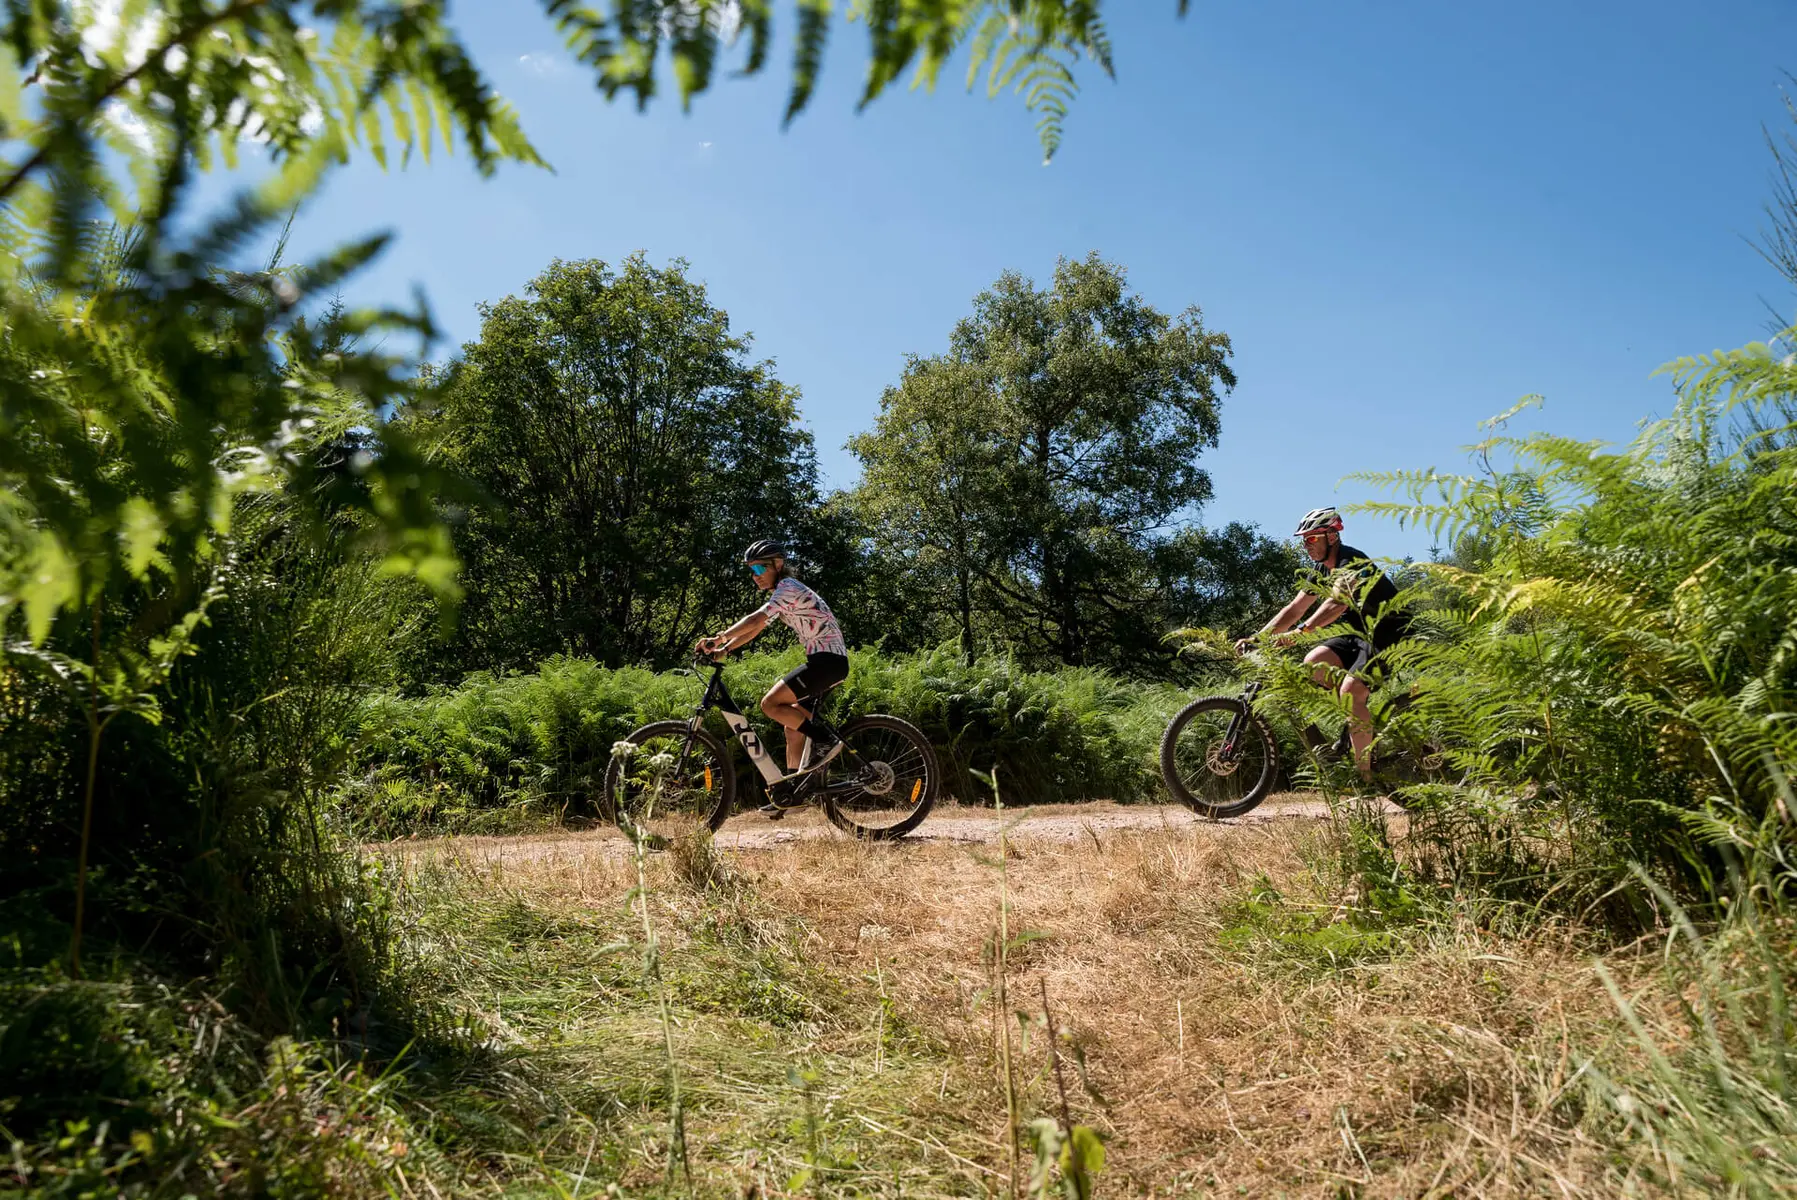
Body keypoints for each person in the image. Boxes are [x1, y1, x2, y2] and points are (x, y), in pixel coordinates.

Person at [1235, 507, 1411, 782]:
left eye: (1312, 538)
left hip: (1388, 633)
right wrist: (1260, 638)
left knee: (1351, 690)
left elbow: (1336, 604)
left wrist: (1301, 631)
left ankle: (1366, 778)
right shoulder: (1320, 570)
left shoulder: (1352, 561)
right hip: (1356, 632)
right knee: (1313, 663)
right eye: (1304, 540)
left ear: (1331, 536)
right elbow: (1295, 608)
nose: (1307, 545)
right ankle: (1355, 725)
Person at [696, 539, 850, 799]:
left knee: (770, 704)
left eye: (759, 569)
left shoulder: (788, 587)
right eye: (751, 570)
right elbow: (757, 628)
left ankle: (826, 740)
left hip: (828, 662)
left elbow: (755, 618)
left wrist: (719, 638)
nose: (755, 576)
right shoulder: (783, 593)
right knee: (793, 725)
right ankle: (791, 792)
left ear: (777, 565)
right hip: (826, 663)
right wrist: (726, 650)